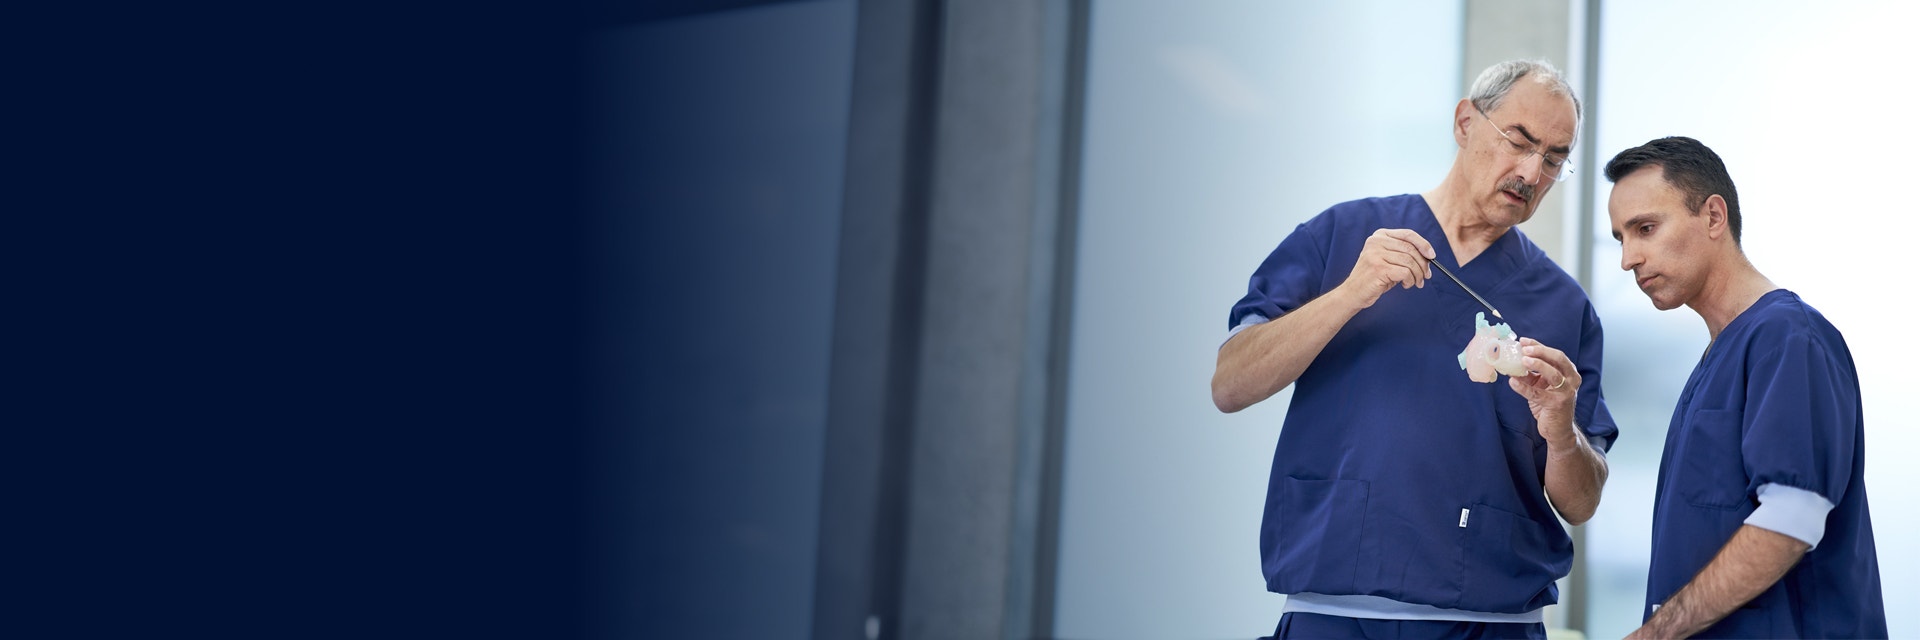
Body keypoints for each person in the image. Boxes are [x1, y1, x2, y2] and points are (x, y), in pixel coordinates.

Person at [1213, 59, 1616, 639]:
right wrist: (1351, 293)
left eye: (1554, 159)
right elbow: (1230, 384)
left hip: (1492, 621)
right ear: (1465, 123)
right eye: (1519, 142)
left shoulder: (1564, 307)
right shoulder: (1342, 238)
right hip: (1335, 614)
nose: (1531, 171)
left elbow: (1581, 502)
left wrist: (1559, 431)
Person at [1604, 137, 1885, 639]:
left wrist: (1655, 633)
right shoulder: (1723, 352)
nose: (1628, 259)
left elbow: (1792, 518)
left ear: (1714, 216)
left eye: (1645, 229)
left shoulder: (1788, 337)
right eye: (1621, 237)